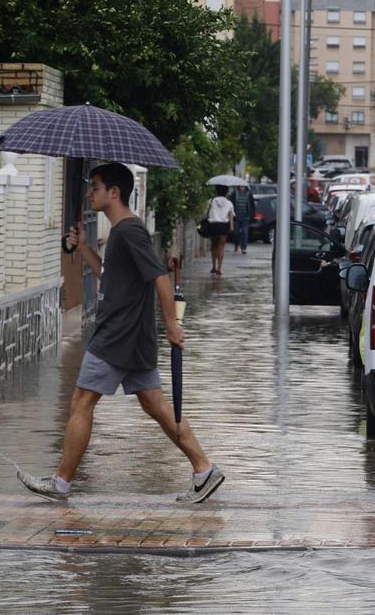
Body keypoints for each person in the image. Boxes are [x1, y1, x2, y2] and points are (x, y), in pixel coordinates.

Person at [19, 162, 224, 504]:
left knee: (81, 402)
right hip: (130, 337)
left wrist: (172, 324)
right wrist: (84, 247)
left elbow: (159, 276)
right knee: (157, 406)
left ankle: (61, 483)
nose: (90, 192)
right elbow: (108, 275)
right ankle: (204, 469)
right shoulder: (120, 232)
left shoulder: (130, 230)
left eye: (95, 187)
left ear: (114, 192)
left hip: (118, 335)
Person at [206, 185, 235, 276]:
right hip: (224, 226)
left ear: (216, 191)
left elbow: (206, 213)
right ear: (226, 192)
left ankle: (213, 267)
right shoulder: (229, 203)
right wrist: (231, 227)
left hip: (213, 225)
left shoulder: (211, 201)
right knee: (221, 247)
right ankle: (219, 268)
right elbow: (231, 215)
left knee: (213, 246)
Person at [231, 184, 256, 254]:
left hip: (245, 217)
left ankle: (244, 248)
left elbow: (252, 206)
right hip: (236, 217)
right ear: (238, 186)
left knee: (244, 232)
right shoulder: (234, 194)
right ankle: (236, 244)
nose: (242, 186)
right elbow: (231, 204)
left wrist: (251, 215)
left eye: (243, 185)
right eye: (241, 185)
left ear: (245, 187)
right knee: (236, 233)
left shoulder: (248, 194)